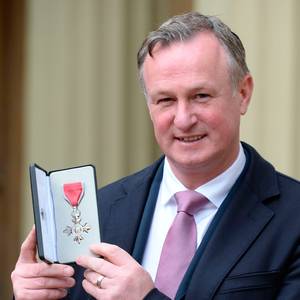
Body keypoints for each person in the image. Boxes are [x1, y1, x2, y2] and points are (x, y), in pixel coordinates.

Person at [11, 11, 300, 300]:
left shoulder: (293, 218)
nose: (184, 119)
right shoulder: (97, 212)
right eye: (166, 100)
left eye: (201, 96)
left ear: (243, 92)